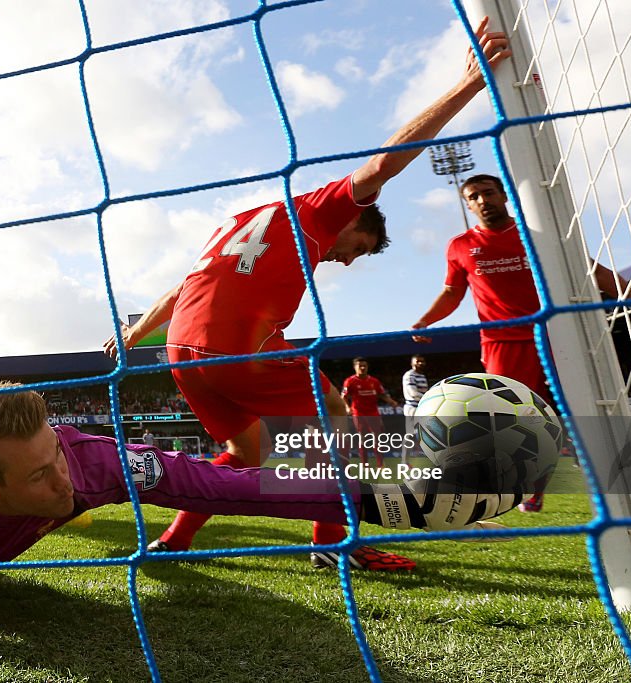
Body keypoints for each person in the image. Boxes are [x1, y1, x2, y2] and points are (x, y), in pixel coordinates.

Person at [103, 18, 511, 572]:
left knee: (248, 454)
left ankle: (174, 540)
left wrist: (134, 332)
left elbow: (185, 285)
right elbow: (382, 164)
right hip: (235, 349)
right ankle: (333, 543)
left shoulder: (246, 220)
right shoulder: (321, 209)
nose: (346, 259)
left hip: (181, 352)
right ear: (356, 220)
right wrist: (469, 85)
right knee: (338, 415)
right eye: (359, 248)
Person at [0, 379, 516, 639]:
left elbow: (242, 487)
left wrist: (390, 498)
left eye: (56, 453)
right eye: (38, 473)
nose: (63, 483)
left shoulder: (95, 465)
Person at [411, 173, 631, 511]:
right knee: (509, 418)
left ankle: (602, 475)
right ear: (467, 204)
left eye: (488, 193)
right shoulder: (460, 246)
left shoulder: (537, 234)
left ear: (504, 195)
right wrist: (426, 319)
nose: (481, 201)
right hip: (502, 342)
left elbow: (593, 270)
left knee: (580, 408)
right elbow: (451, 292)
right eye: (473, 197)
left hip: (558, 333)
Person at [340, 357, 398, 468]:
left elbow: (382, 394)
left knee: (377, 439)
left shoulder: (374, 381)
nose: (362, 368)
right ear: (355, 367)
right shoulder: (350, 381)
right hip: (359, 413)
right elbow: (343, 397)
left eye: (364, 366)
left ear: (367, 367)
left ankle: (380, 465)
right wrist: (348, 408)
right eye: (360, 366)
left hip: (373, 413)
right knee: (363, 438)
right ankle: (364, 465)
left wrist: (391, 402)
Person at [400, 355, 429, 465]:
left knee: (424, 432)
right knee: (410, 434)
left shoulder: (421, 375)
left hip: (421, 407)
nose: (420, 363)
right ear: (412, 363)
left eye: (422, 361)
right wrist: (429, 396)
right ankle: (404, 462)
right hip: (412, 408)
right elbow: (413, 393)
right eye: (417, 361)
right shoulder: (409, 375)